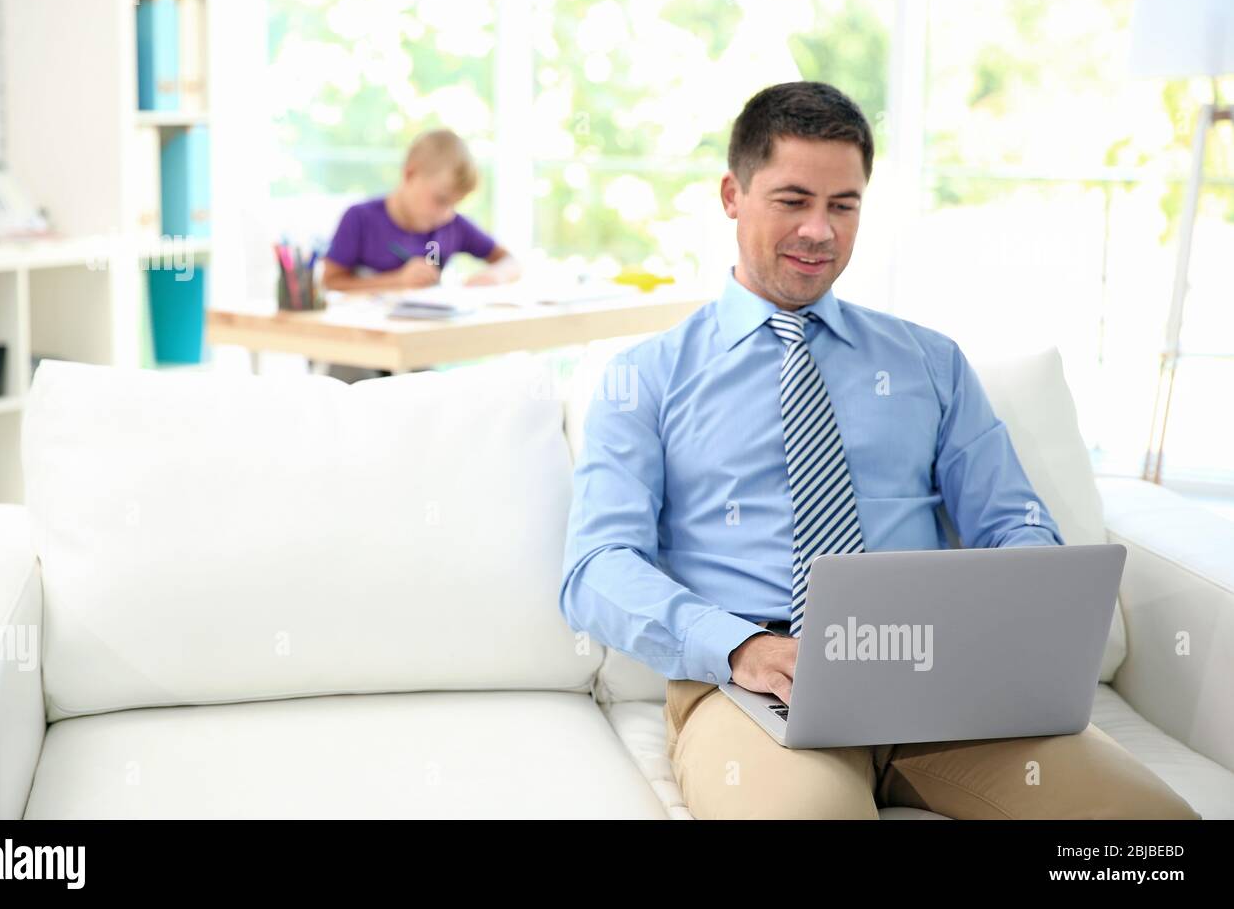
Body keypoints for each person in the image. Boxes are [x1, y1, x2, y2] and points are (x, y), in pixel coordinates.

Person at [558, 81, 1198, 820]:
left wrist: (1016, 618)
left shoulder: (929, 362)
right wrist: (738, 647)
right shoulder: (648, 376)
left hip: (938, 681)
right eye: (793, 200)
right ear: (733, 194)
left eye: (843, 205)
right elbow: (596, 566)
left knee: (1152, 833)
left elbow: (1012, 520)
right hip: (754, 684)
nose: (819, 232)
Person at [322, 128, 517, 294]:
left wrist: (495, 276)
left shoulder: (453, 226)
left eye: (455, 204)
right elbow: (330, 282)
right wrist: (397, 280)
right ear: (410, 174)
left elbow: (510, 261)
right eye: (441, 200)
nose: (447, 213)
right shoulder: (360, 219)